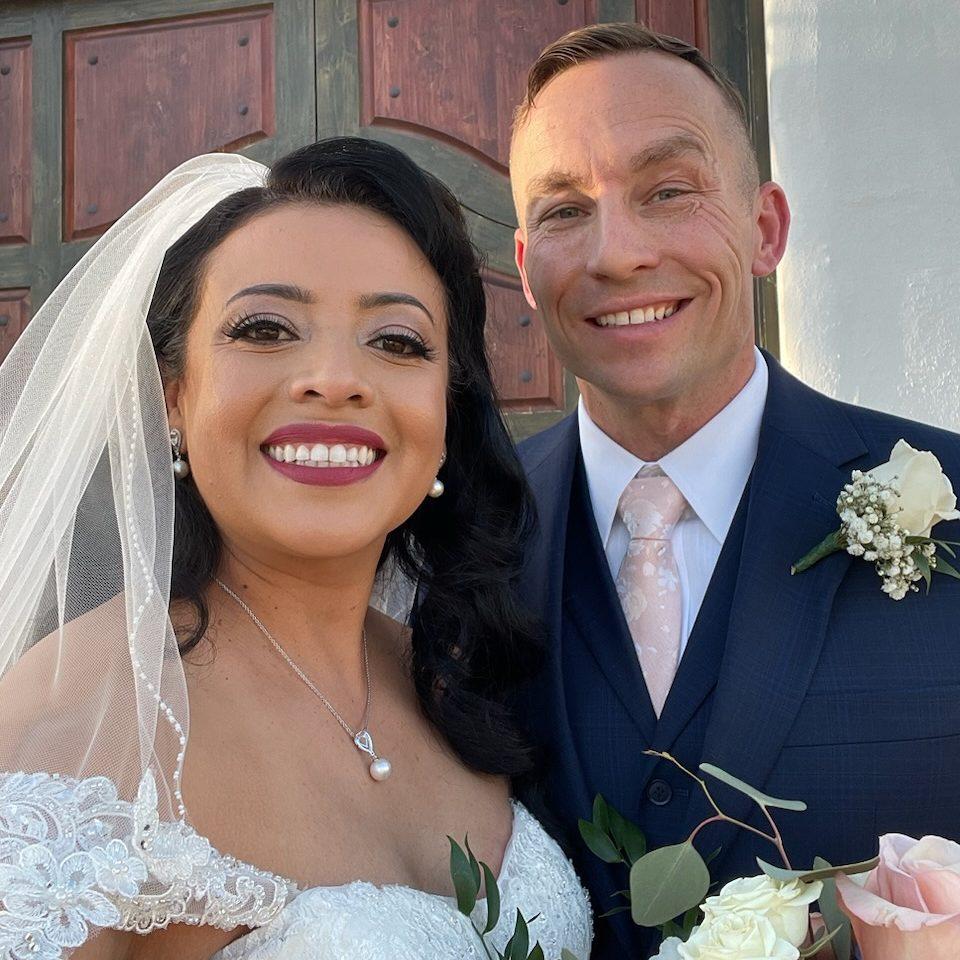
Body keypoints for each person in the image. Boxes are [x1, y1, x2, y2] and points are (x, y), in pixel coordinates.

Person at [0, 138, 592, 959]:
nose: (335, 378)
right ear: (172, 397)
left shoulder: (450, 674)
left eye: (397, 341)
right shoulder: (81, 726)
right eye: (267, 328)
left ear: (445, 411)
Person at [508, 22, 960, 960]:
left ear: (765, 229)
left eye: (667, 191)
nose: (617, 254)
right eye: (562, 212)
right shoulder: (455, 532)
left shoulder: (951, 495)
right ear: (522, 267)